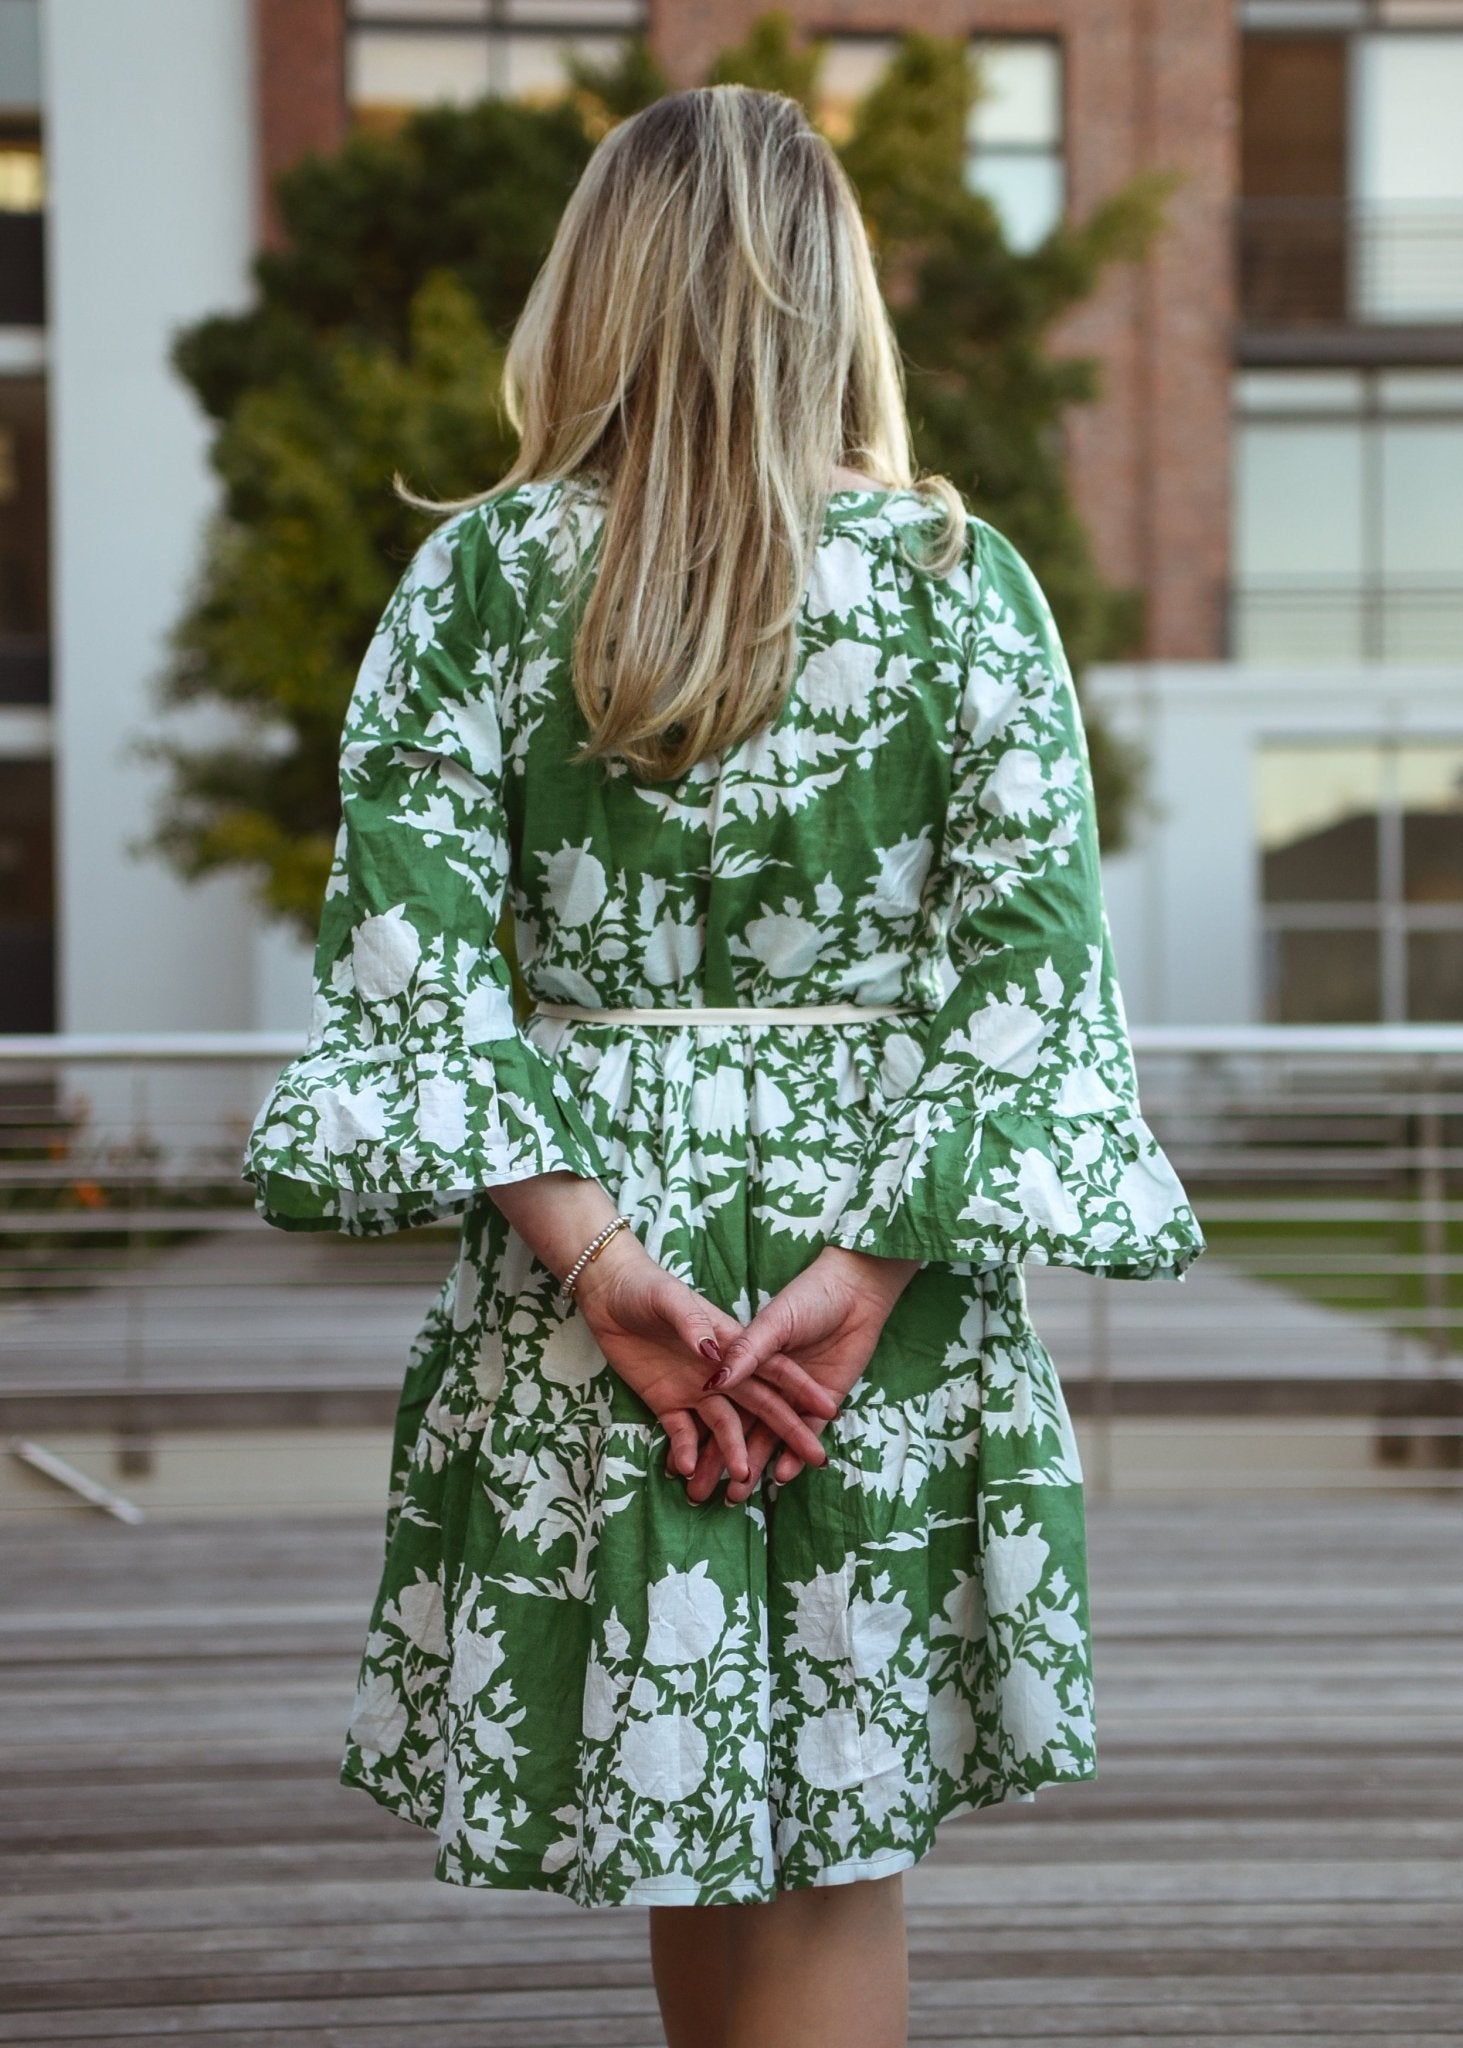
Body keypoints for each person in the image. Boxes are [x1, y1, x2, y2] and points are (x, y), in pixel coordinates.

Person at [243, 82, 1204, 2048]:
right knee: (828, 1846)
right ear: (831, 300)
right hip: (875, 1274)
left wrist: (602, 1266)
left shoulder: (486, 580)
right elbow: (1024, 973)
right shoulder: (956, 587)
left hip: (597, 1256)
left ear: (589, 292)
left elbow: (411, 964)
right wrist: (855, 1287)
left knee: (686, 1813)